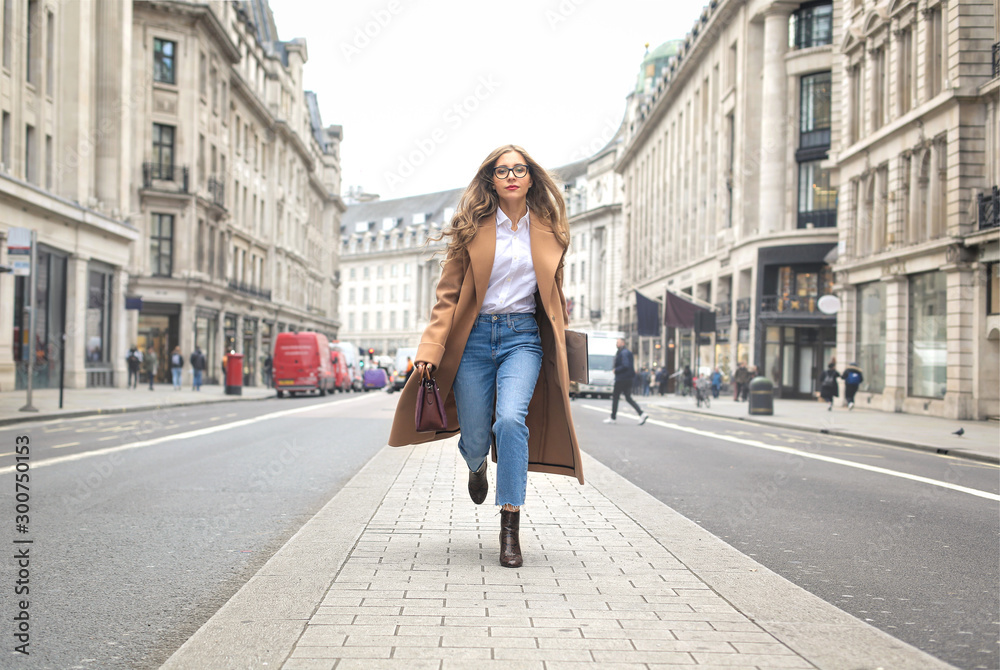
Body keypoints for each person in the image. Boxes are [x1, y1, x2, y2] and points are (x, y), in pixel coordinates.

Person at [387, 145, 583, 569]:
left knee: (511, 420)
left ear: (530, 177)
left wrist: (565, 347)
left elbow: (553, 297)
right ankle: (477, 465)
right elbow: (447, 296)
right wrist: (431, 349)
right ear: (491, 180)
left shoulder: (551, 231)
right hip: (473, 341)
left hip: (522, 339)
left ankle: (509, 526)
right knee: (476, 437)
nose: (511, 175)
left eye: (519, 169)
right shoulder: (471, 228)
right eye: (502, 170)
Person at [604, 338, 649, 426]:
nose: (616, 344)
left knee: (615, 397)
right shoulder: (626, 352)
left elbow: (625, 365)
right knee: (628, 398)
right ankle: (642, 414)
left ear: (622, 343)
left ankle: (613, 418)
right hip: (628, 379)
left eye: (618, 342)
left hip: (622, 379)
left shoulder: (623, 353)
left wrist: (616, 370)